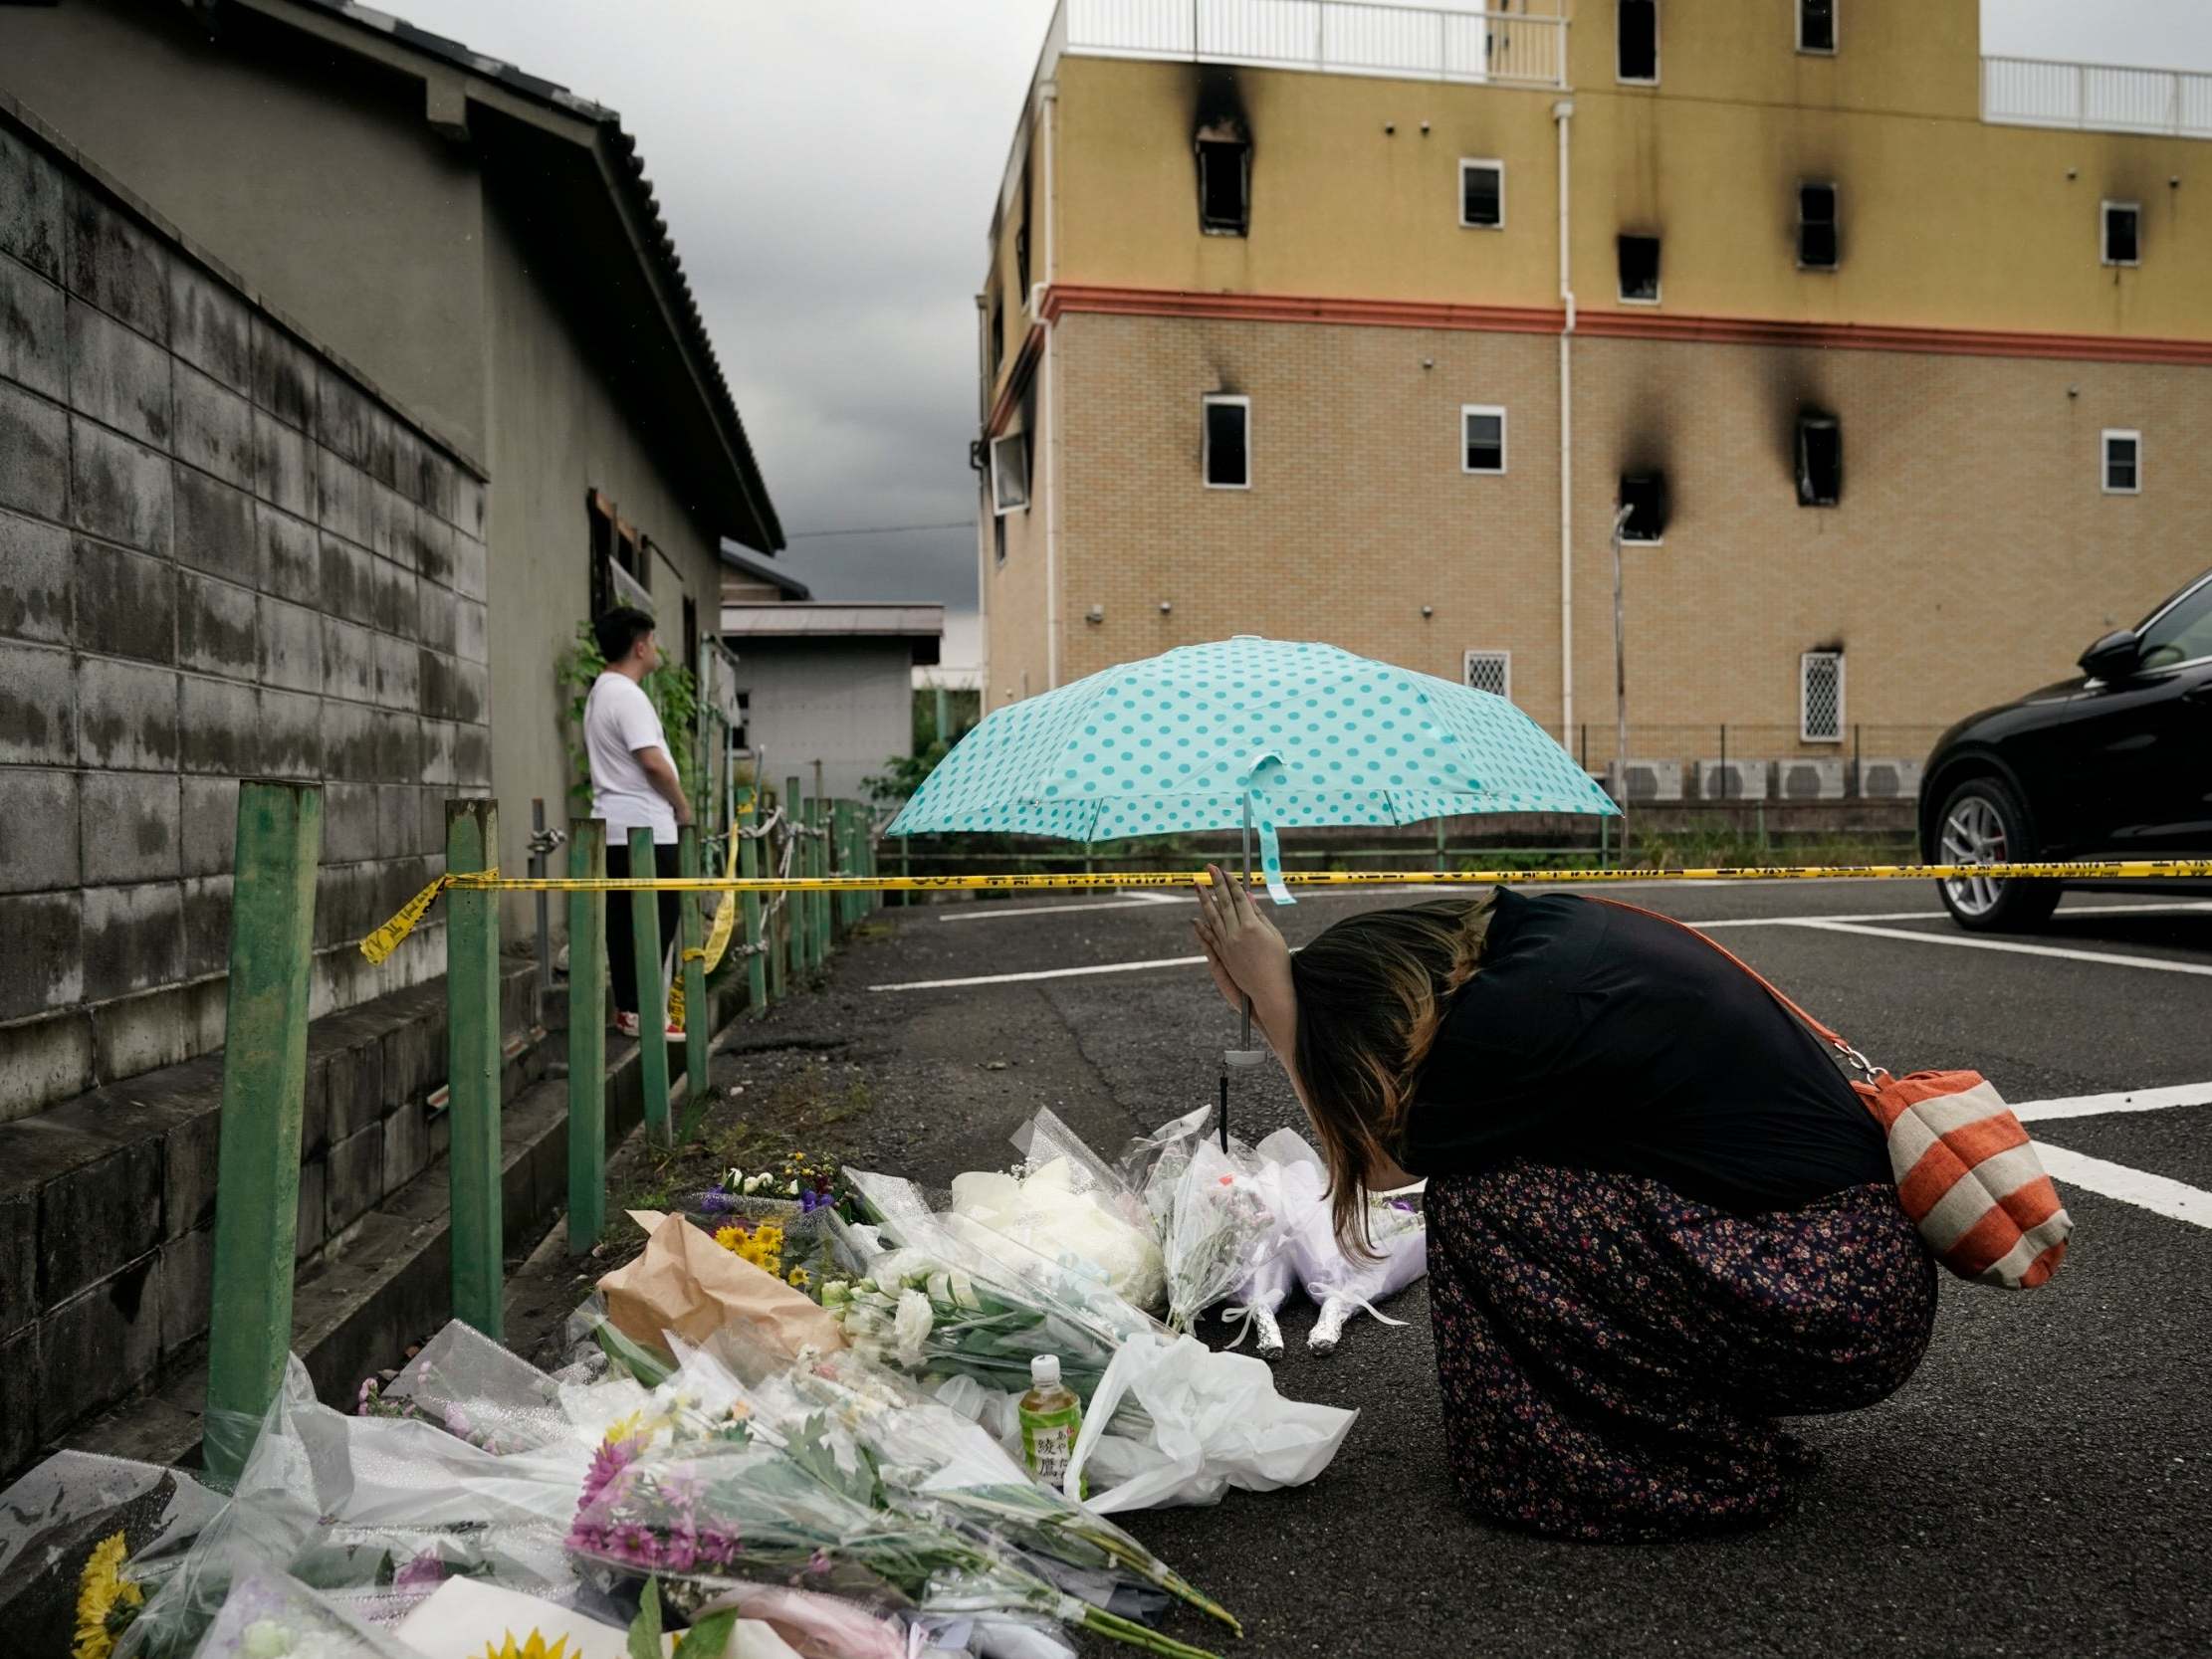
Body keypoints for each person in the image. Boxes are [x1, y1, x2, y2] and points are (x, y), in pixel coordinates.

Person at [1190, 867, 1934, 1543]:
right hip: (1849, 1268)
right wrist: (1276, 990)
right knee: (1531, 1185)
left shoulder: (1502, 1020)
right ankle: (1680, 1428)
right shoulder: (1539, 943)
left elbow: (1385, 1165)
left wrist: (1280, 1006)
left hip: (1836, 1293)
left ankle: (1666, 1470)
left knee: (1482, 1203)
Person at [585, 607, 692, 1039]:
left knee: (624, 921)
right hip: (645, 827)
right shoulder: (627, 695)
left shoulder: (602, 691)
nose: (658, 649)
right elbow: (653, 762)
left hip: (614, 825)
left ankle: (632, 1010)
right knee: (655, 921)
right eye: (655, 639)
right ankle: (643, 1012)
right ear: (641, 645)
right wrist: (682, 807)